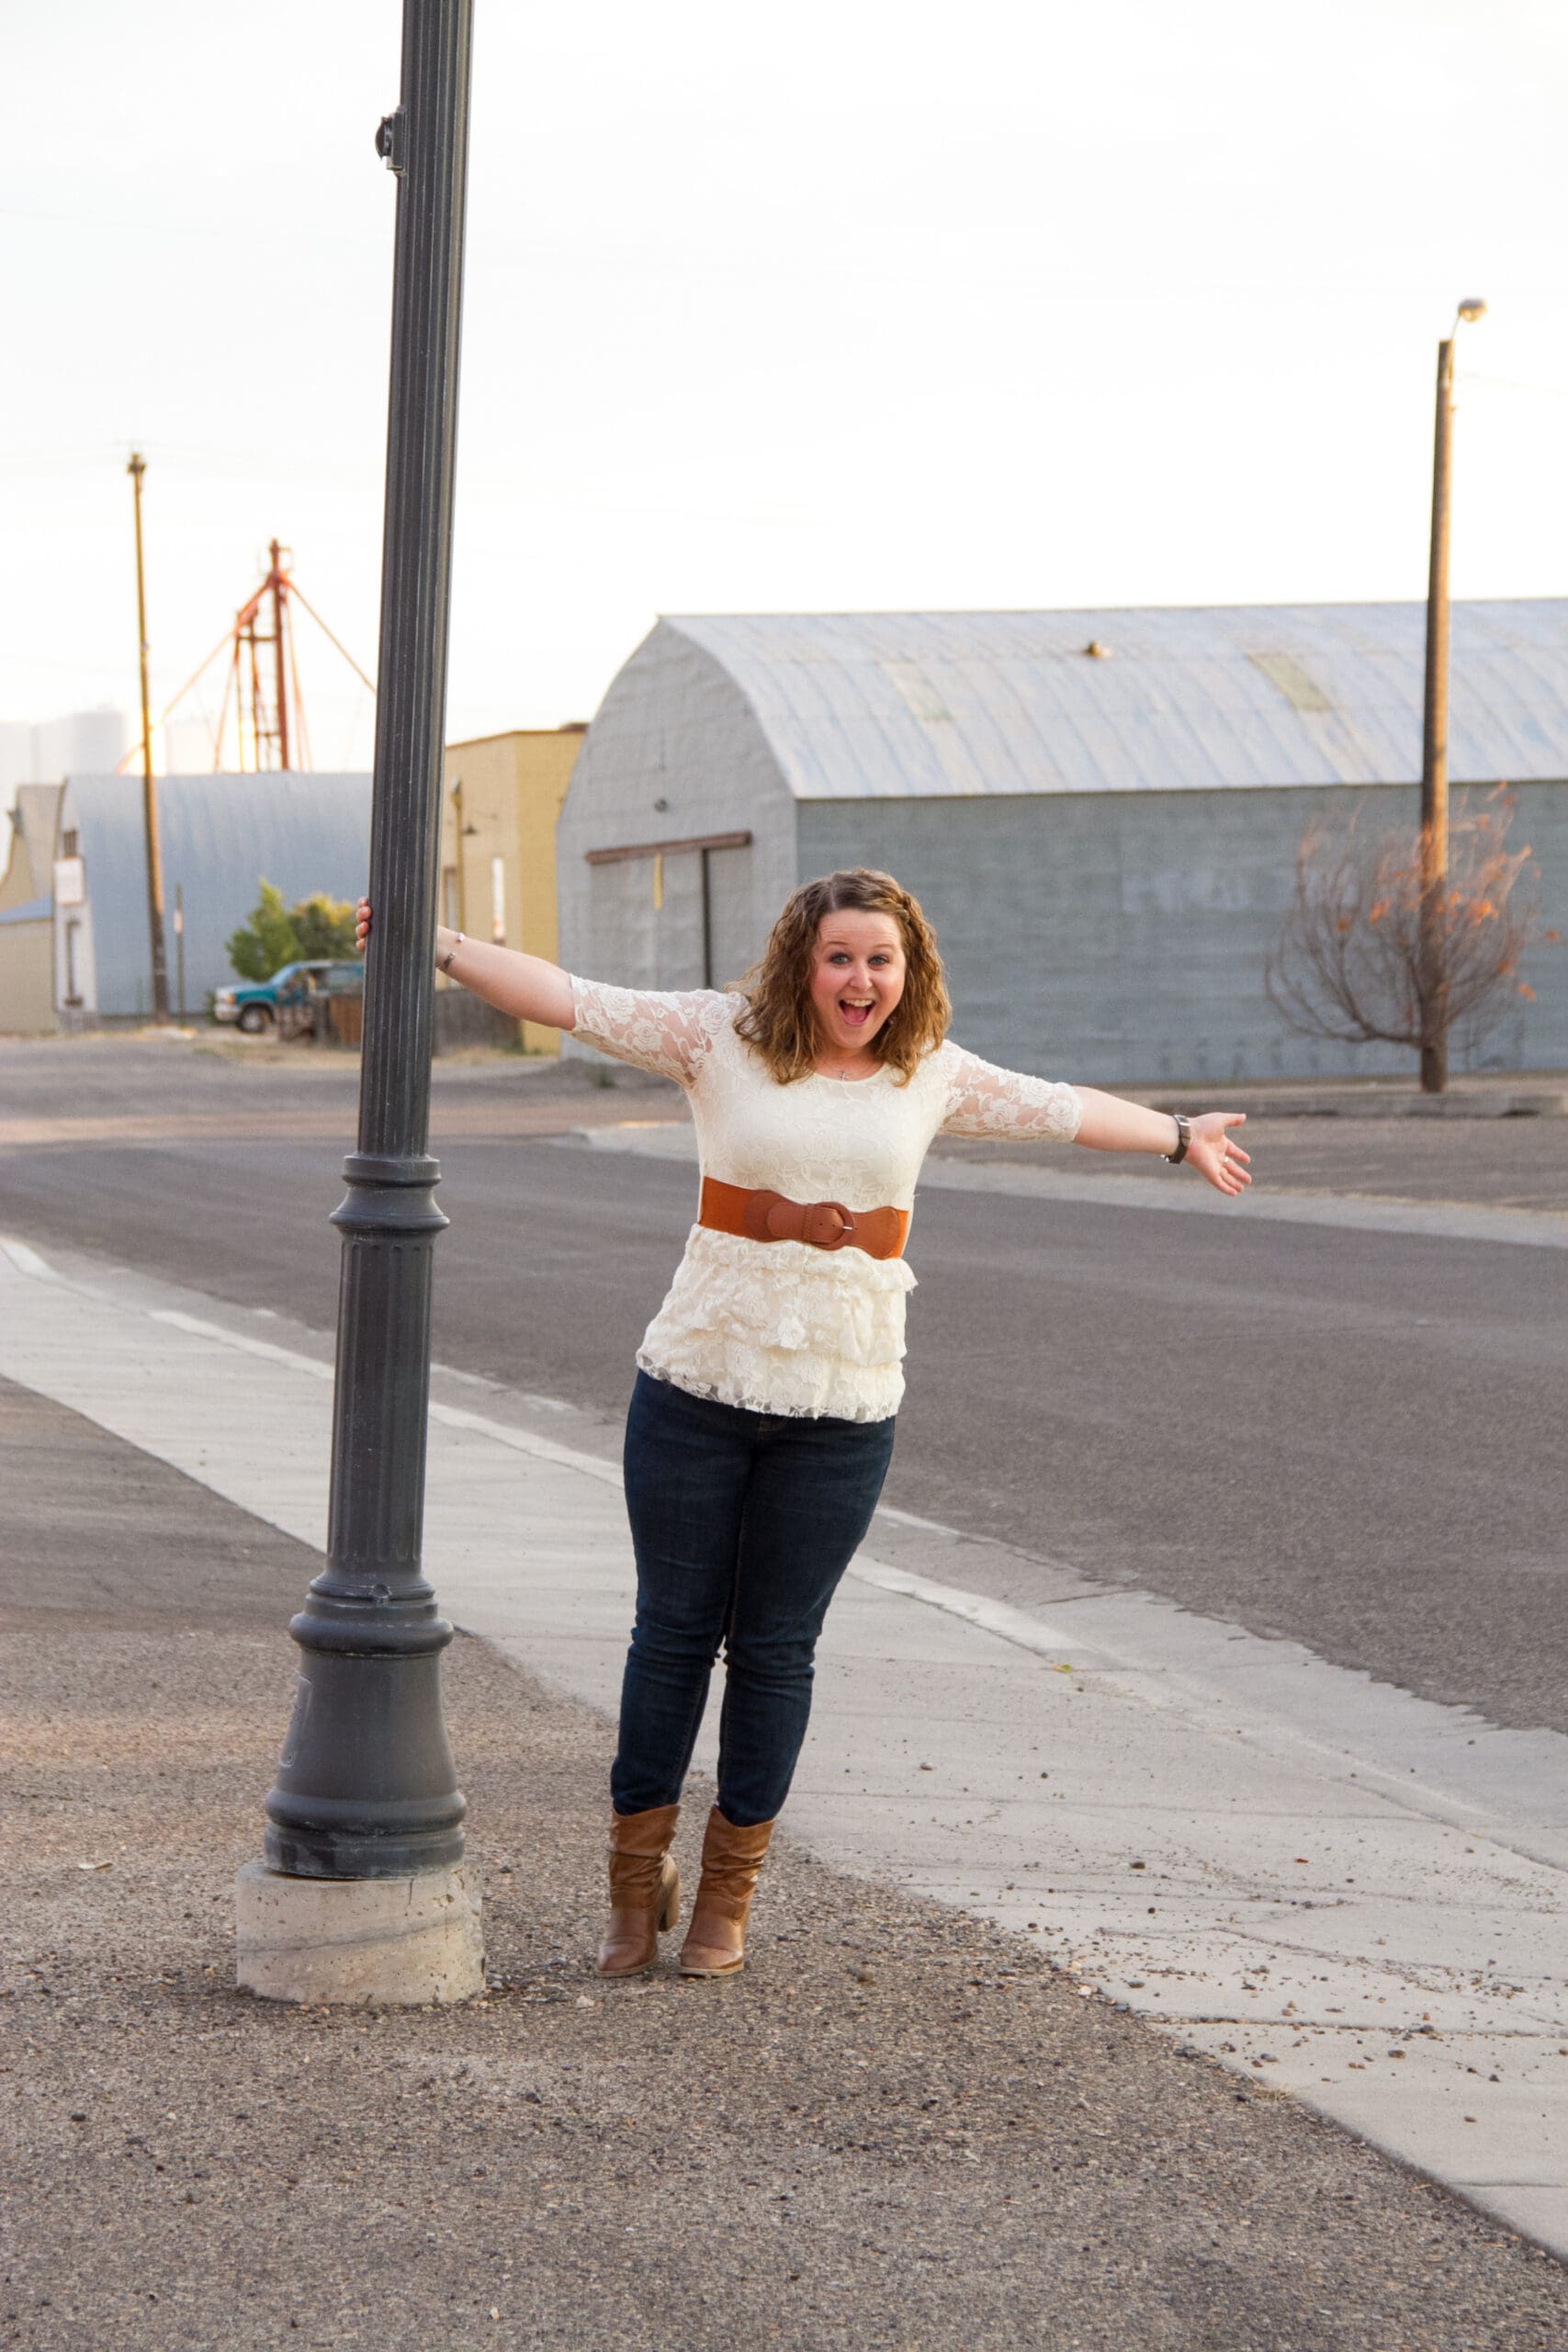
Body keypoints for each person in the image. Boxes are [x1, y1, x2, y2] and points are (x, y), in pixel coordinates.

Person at [354, 868, 1248, 1982]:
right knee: (672, 1635)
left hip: (843, 1408)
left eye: (880, 959)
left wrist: (1177, 1135)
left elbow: (1061, 1108)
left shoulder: (932, 1076)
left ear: (907, 970)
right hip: (693, 1386)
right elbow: (569, 996)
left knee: (776, 1650)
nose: (860, 978)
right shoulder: (715, 1036)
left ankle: (728, 1894)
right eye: (840, 956)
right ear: (802, 961)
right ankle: (635, 1892)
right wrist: (436, 942)